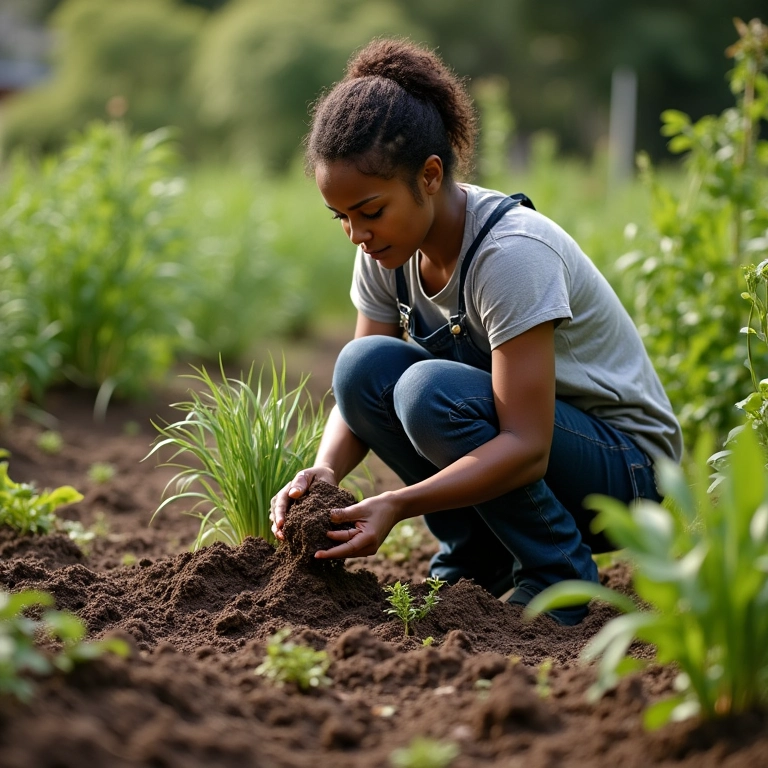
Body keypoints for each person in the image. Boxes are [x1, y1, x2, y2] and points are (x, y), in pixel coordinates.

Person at [269, 38, 682, 625]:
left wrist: (399, 504)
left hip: (624, 474)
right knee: (360, 369)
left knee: (428, 393)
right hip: (537, 452)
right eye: (343, 218)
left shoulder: (511, 256)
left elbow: (527, 447)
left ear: (430, 176)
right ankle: (476, 559)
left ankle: (559, 577)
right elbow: (358, 389)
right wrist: (325, 471)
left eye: (370, 210)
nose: (357, 234)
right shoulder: (386, 249)